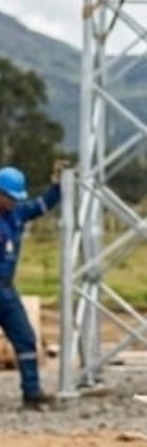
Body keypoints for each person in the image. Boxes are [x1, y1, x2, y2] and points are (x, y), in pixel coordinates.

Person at [0, 161, 66, 410]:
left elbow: (42, 206)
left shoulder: (16, 214)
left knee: (26, 340)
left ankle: (32, 393)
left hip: (6, 290)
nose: (14, 202)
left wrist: (57, 186)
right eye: (11, 198)